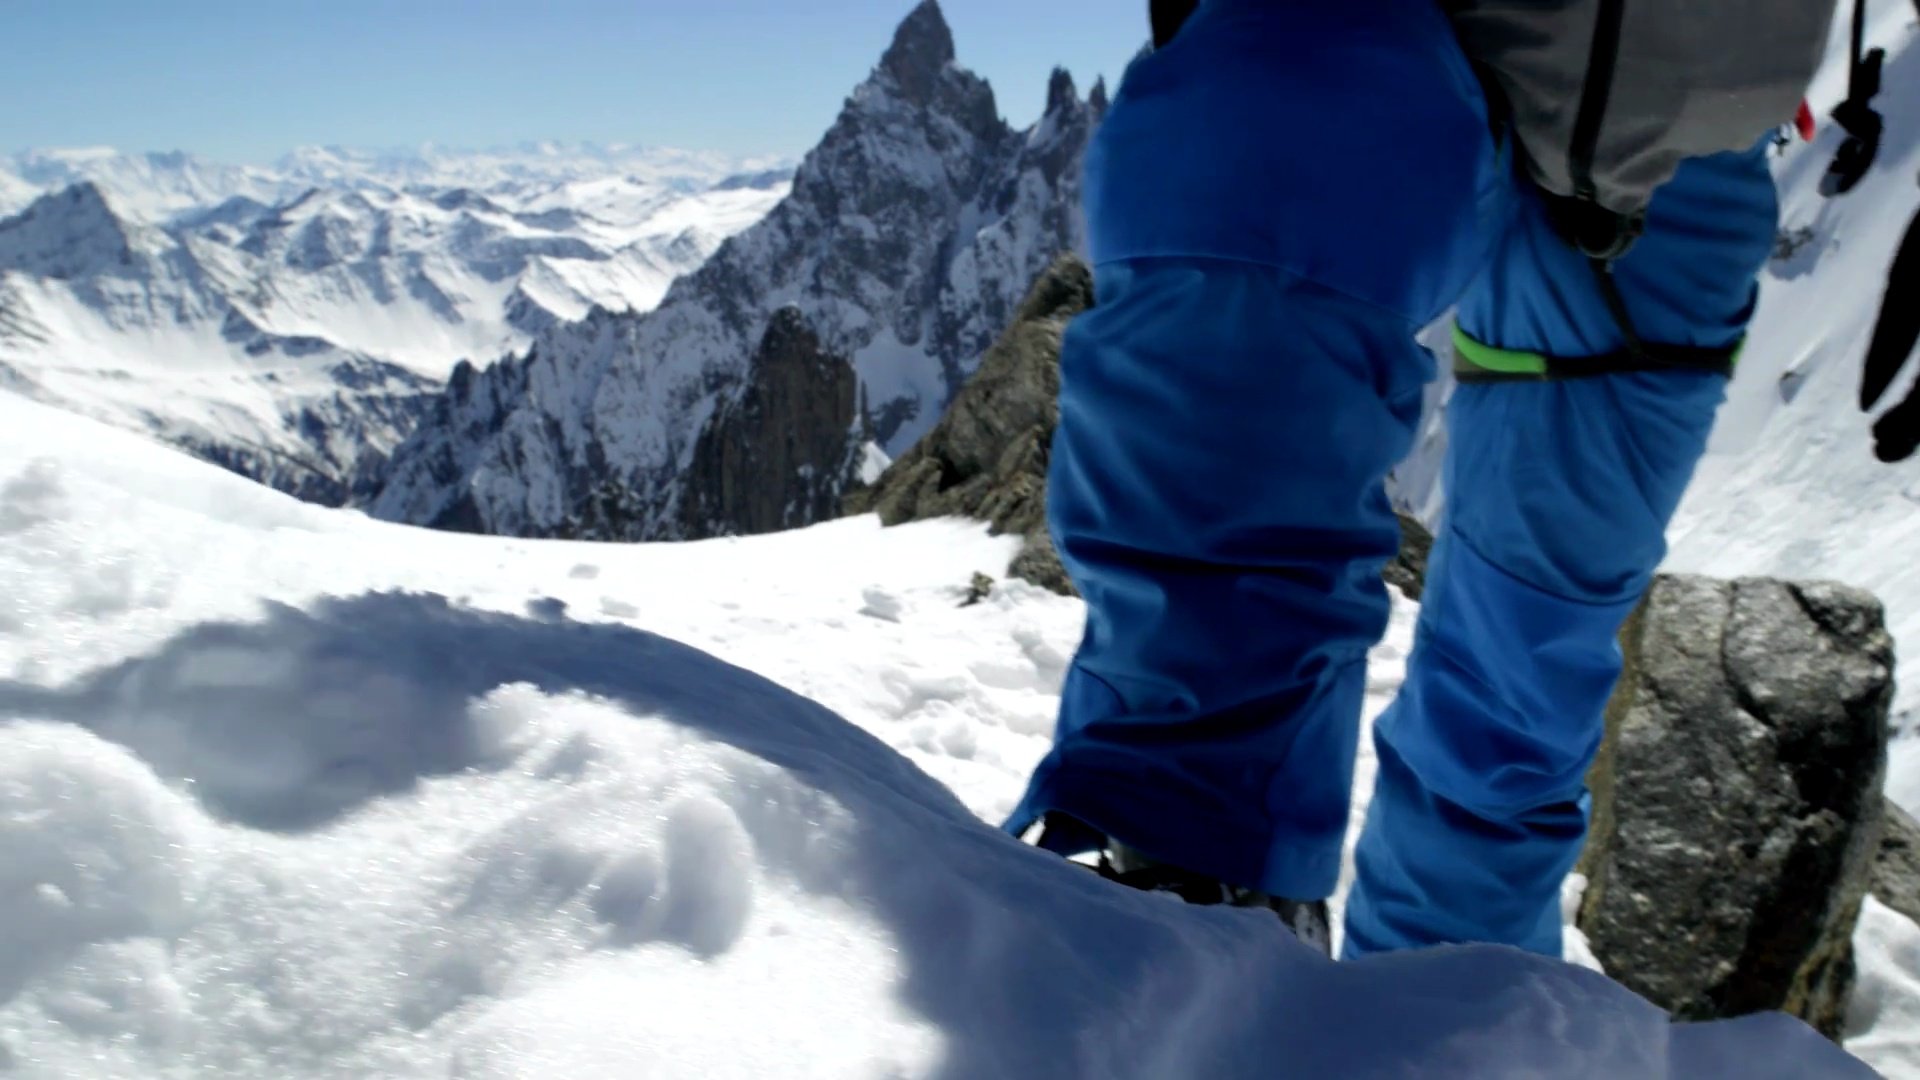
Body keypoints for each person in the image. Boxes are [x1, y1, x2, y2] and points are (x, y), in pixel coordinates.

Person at [1004, 0, 1840, 960]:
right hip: (1372, 53)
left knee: (1522, 685)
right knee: (1241, 520)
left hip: (1672, 111)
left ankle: (1438, 1007)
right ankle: (1181, 896)